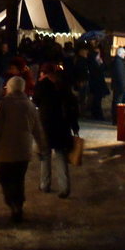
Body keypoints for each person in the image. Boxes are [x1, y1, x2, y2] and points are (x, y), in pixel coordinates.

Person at [0, 76, 47, 223]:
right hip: (24, 150)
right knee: (19, 179)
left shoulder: (4, 104)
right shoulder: (30, 105)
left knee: (4, 178)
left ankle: (13, 203)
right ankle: (18, 204)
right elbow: (37, 129)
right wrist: (42, 146)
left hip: (5, 151)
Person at [32, 62, 80, 199]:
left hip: (45, 125)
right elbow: (71, 105)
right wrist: (74, 126)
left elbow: (35, 101)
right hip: (61, 125)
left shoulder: (41, 85)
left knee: (45, 155)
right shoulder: (62, 84)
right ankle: (64, 188)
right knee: (60, 156)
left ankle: (44, 184)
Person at [87, 48, 108, 120]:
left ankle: (95, 114)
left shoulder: (94, 63)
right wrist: (101, 64)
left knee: (96, 100)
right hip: (97, 84)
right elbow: (99, 71)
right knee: (97, 100)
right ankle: (97, 115)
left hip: (97, 84)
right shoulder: (94, 64)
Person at [111, 47, 125, 125]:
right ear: (120, 54)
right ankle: (116, 119)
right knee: (118, 103)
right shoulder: (119, 62)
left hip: (119, 87)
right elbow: (121, 75)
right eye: (124, 54)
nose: (124, 55)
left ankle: (116, 119)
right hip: (119, 87)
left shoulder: (119, 61)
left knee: (118, 102)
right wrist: (124, 86)